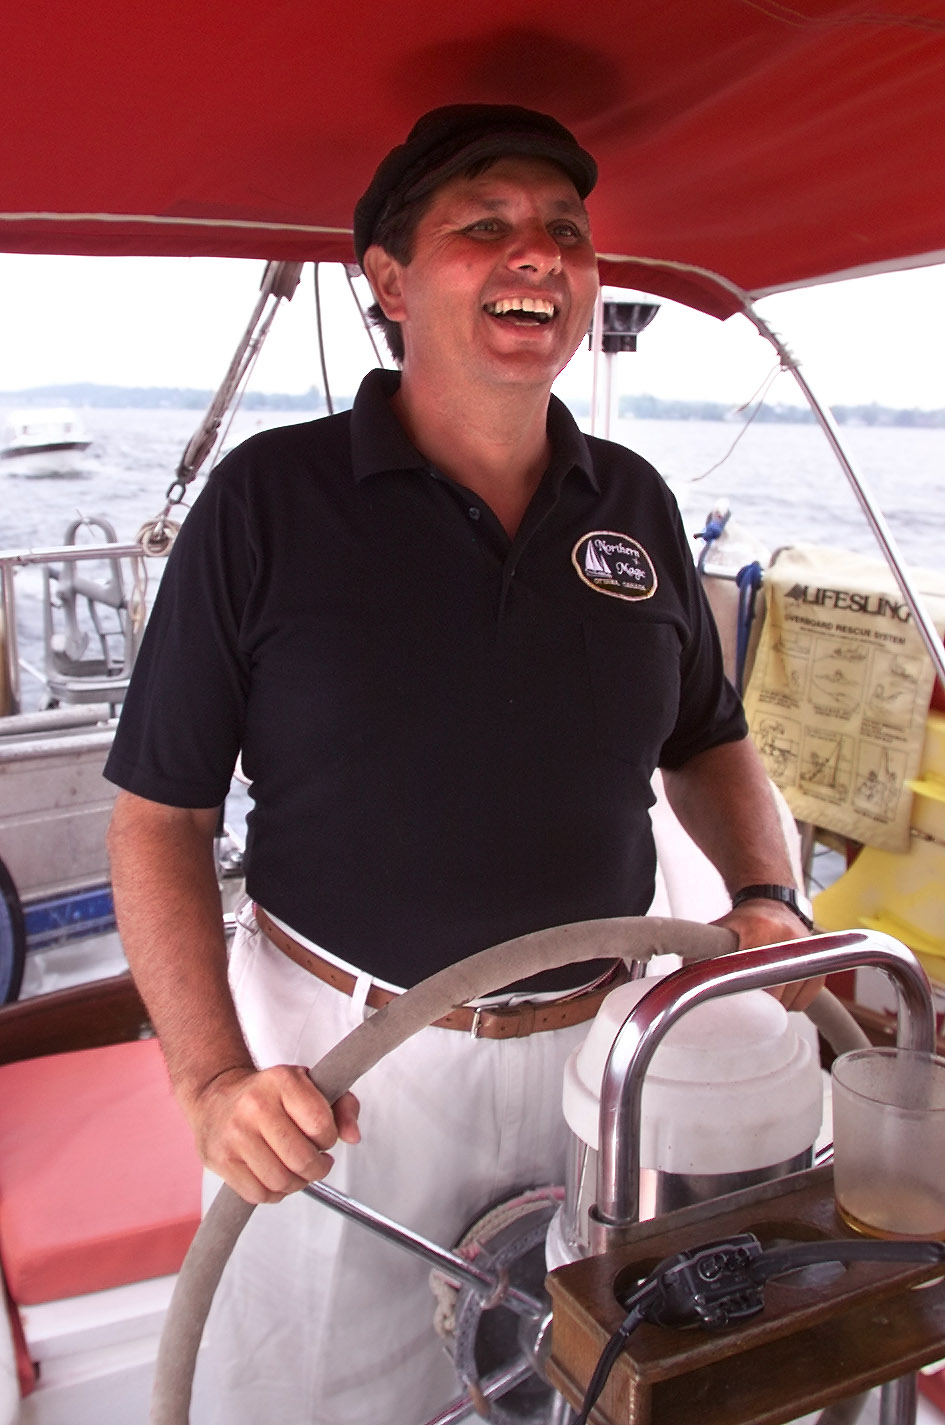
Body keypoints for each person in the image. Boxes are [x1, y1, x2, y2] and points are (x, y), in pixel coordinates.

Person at [105, 104, 819, 1424]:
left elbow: (705, 737)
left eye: (563, 232)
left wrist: (768, 895)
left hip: (607, 1056)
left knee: (594, 1388)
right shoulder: (269, 504)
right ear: (385, 280)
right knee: (321, 1395)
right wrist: (210, 1084)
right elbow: (158, 815)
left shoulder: (635, 506)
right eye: (482, 227)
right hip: (347, 1073)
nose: (535, 257)